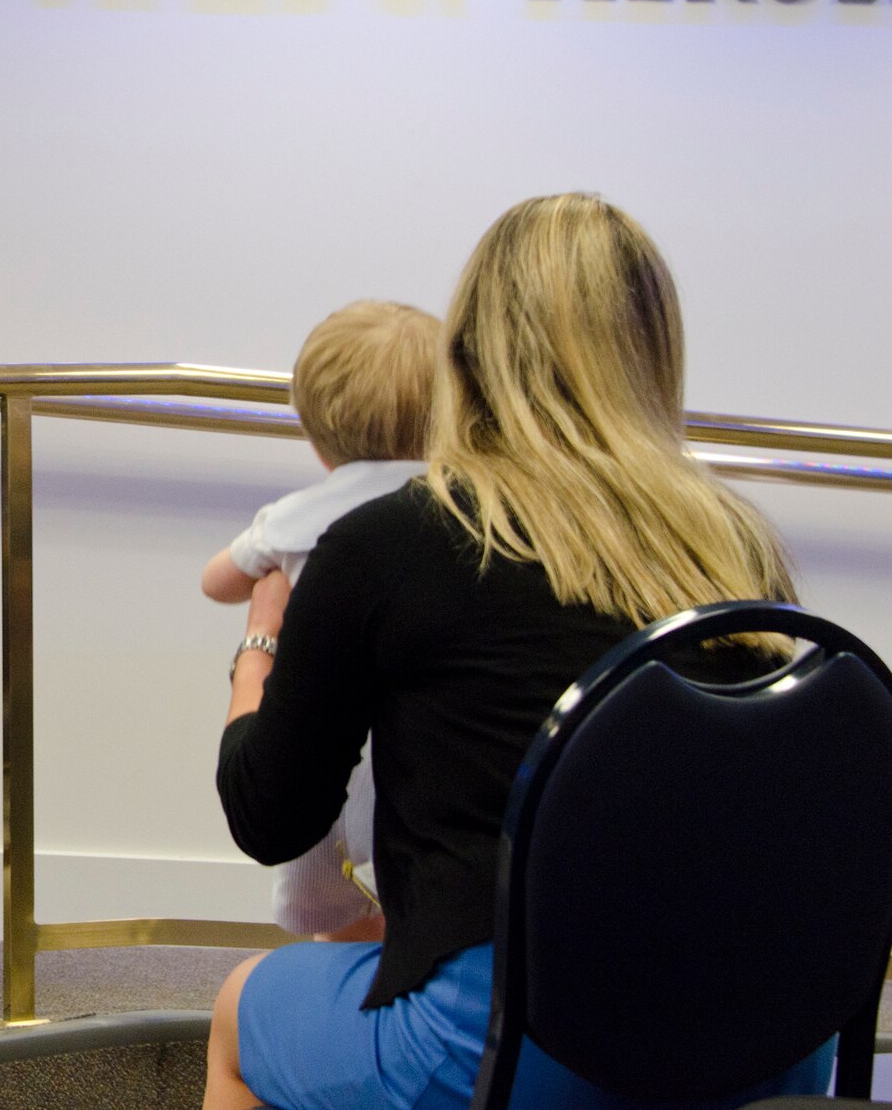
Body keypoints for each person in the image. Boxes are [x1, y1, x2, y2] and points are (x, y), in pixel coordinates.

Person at [204, 193, 831, 1109]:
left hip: (526, 1045)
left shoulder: (394, 543)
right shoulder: (739, 549)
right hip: (771, 1037)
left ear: (470, 357)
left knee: (238, 1011)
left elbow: (270, 817)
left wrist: (259, 646)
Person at [200, 300, 439, 942]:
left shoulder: (300, 516)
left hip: (325, 738)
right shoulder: (457, 507)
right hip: (428, 758)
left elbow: (216, 581)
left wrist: (265, 589)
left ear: (312, 427)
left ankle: (333, 957)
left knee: (321, 870)